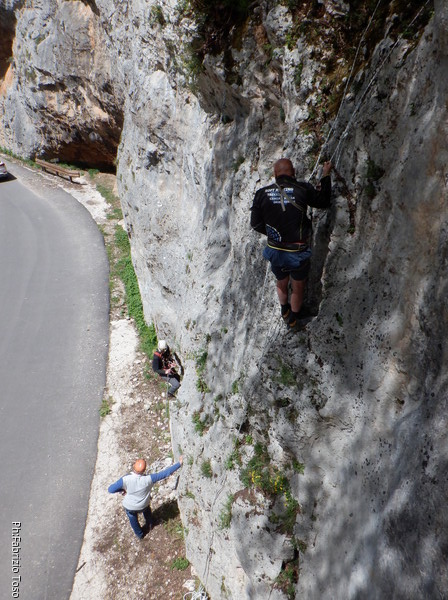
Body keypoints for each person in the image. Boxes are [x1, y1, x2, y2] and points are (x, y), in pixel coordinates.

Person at [250, 158, 332, 328]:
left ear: (275, 174)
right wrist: (325, 174)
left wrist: (275, 234)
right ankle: (294, 319)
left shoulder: (261, 194)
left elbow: (256, 224)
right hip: (297, 251)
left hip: (275, 249)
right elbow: (323, 201)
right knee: (297, 286)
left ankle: (284, 310)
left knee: (281, 281)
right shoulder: (302, 189)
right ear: (293, 172)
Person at [108, 455, 183, 539]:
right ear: (144, 470)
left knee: (133, 519)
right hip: (143, 504)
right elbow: (165, 473)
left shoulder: (125, 479)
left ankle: (140, 535)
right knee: (147, 511)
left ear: (133, 466)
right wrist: (179, 463)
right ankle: (150, 524)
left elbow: (111, 489)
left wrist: (122, 490)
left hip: (130, 506)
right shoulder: (149, 479)